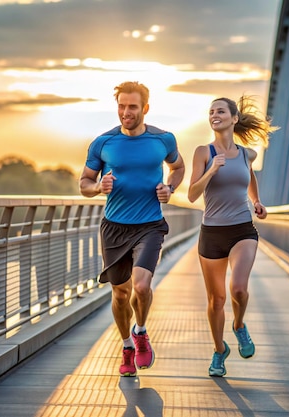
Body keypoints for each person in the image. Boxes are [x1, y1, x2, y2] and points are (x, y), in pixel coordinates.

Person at [79, 81, 185, 377]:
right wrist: (99, 187)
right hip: (114, 228)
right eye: (122, 106)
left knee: (141, 286)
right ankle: (127, 345)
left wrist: (170, 187)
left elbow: (178, 167)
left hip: (149, 225)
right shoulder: (103, 143)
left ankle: (140, 331)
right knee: (121, 294)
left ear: (145, 109)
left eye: (132, 107)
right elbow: (84, 183)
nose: (126, 112)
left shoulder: (163, 140)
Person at [187, 95, 277, 377]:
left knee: (238, 289)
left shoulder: (247, 153)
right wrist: (211, 169)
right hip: (212, 232)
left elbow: (249, 175)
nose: (214, 114)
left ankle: (239, 325)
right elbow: (191, 194)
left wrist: (257, 200)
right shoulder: (204, 152)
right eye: (211, 111)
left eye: (221, 111)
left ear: (234, 118)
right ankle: (219, 350)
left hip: (242, 229)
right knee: (216, 300)